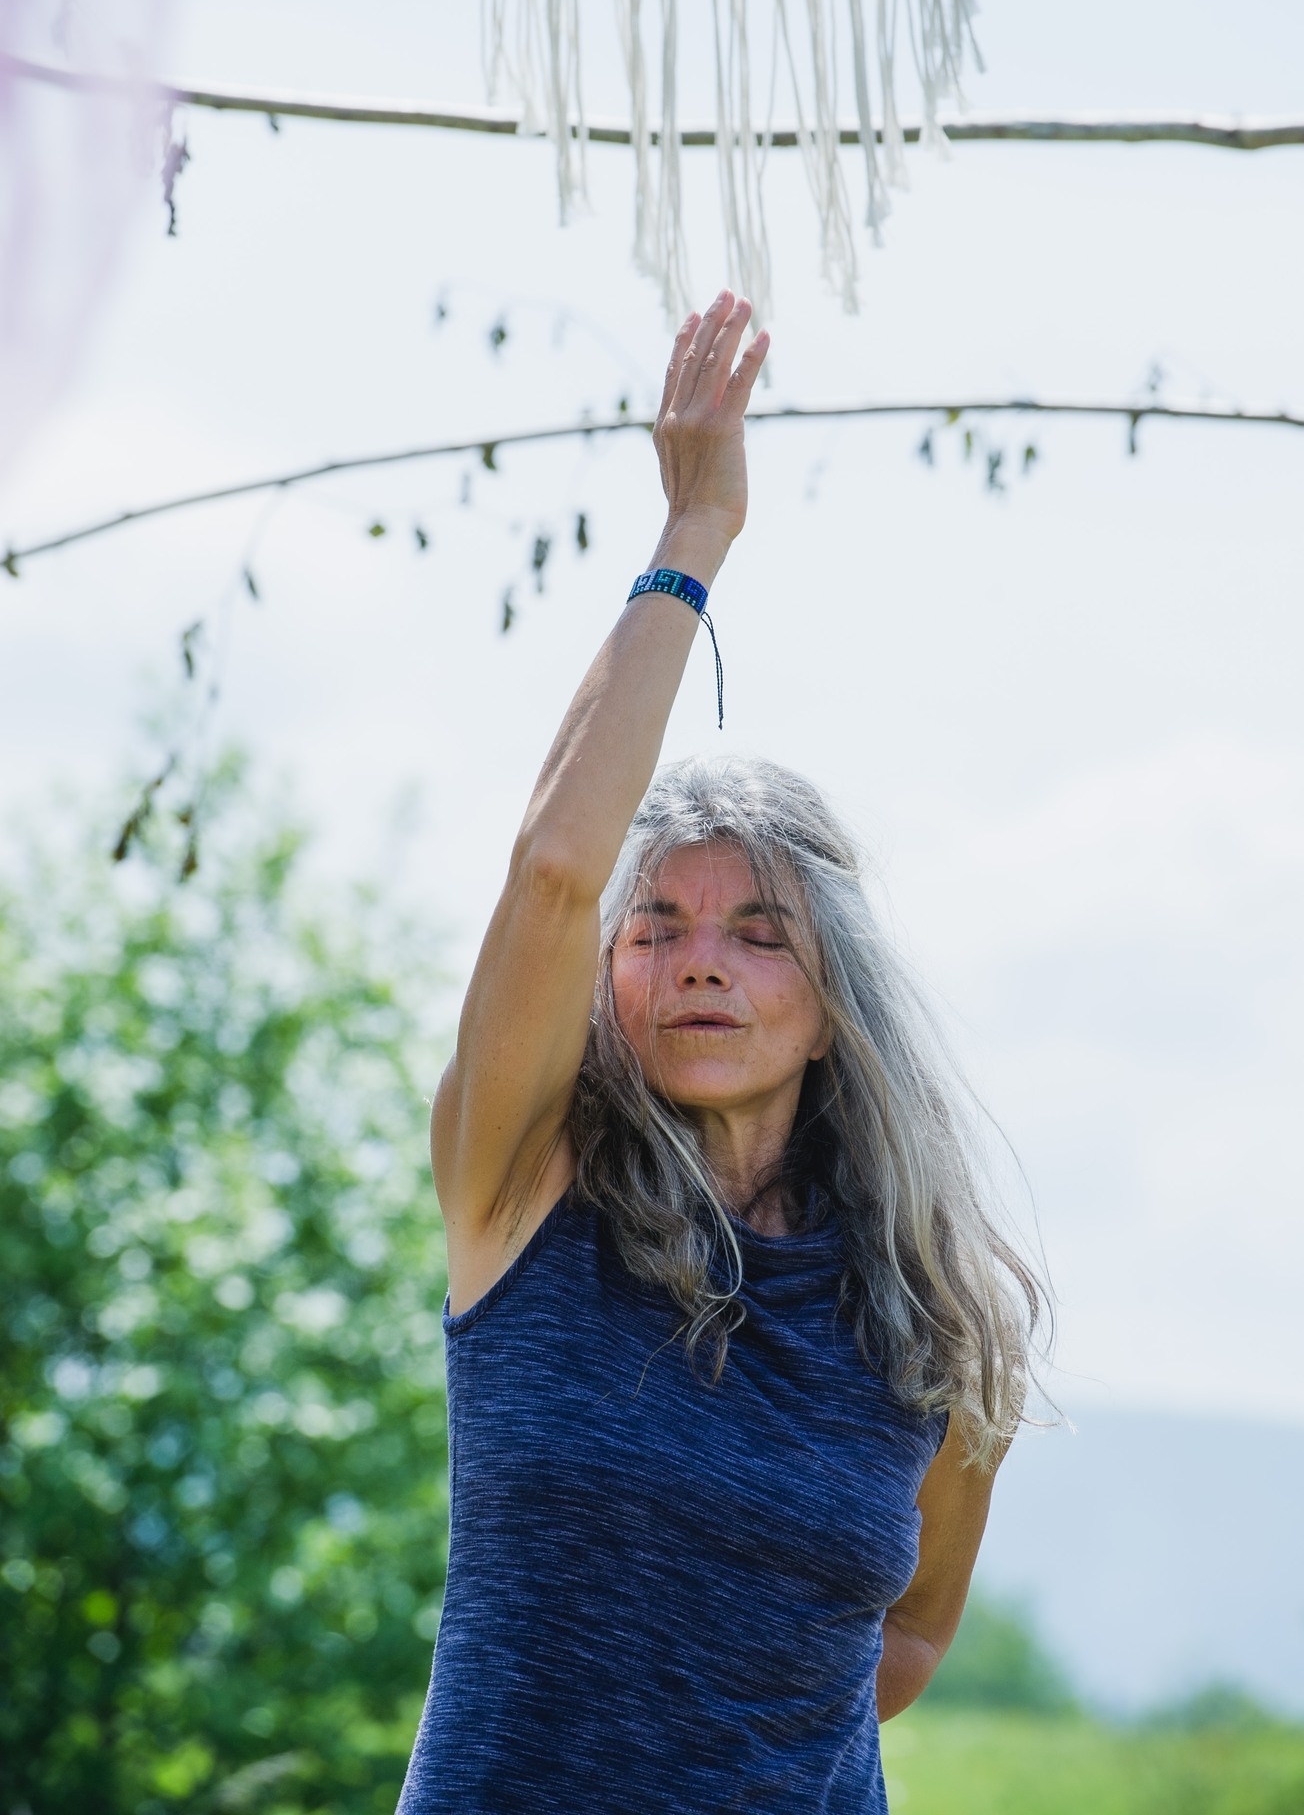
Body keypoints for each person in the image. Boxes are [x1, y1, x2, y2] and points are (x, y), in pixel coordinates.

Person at [397, 290, 1046, 1815]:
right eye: (659, 928)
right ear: (605, 979)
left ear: (837, 1000)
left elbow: (915, 1627)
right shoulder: (520, 1194)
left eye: (760, 931)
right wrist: (694, 526)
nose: (700, 958)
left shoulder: (944, 1317)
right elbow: (557, 865)